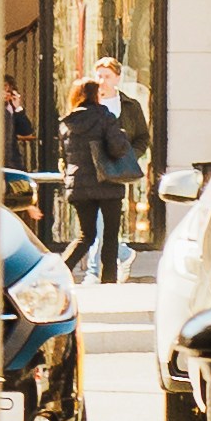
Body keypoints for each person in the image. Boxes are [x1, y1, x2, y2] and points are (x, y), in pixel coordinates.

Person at [66, 53, 148, 283]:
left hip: (83, 182)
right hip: (108, 181)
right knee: (108, 234)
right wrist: (121, 144)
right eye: (98, 76)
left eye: (106, 76)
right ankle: (105, 278)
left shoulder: (70, 120)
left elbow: (142, 137)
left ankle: (62, 273)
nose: (102, 81)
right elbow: (116, 146)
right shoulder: (105, 116)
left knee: (86, 235)